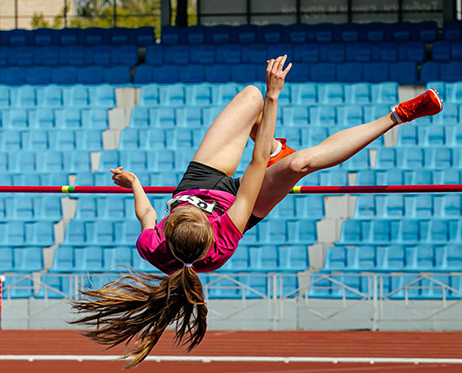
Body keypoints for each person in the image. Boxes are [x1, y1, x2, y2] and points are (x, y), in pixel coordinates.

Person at [70, 55, 444, 367]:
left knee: (247, 96)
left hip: (201, 178)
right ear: (208, 229)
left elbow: (146, 215)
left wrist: (134, 183)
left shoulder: (153, 244)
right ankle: (399, 115)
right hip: (243, 205)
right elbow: (255, 166)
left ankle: (272, 136)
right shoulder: (225, 235)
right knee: (299, 164)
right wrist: (274, 95)